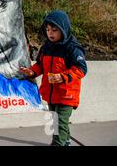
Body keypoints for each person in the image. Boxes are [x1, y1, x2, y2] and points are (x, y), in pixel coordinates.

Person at [20, 10, 87, 146]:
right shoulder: (46, 47)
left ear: (63, 29)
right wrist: (31, 72)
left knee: (59, 122)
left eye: (54, 30)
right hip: (51, 94)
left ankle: (58, 143)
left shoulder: (72, 48)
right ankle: (66, 141)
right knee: (56, 121)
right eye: (48, 29)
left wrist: (63, 77)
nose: (50, 33)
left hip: (66, 94)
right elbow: (40, 65)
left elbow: (81, 69)